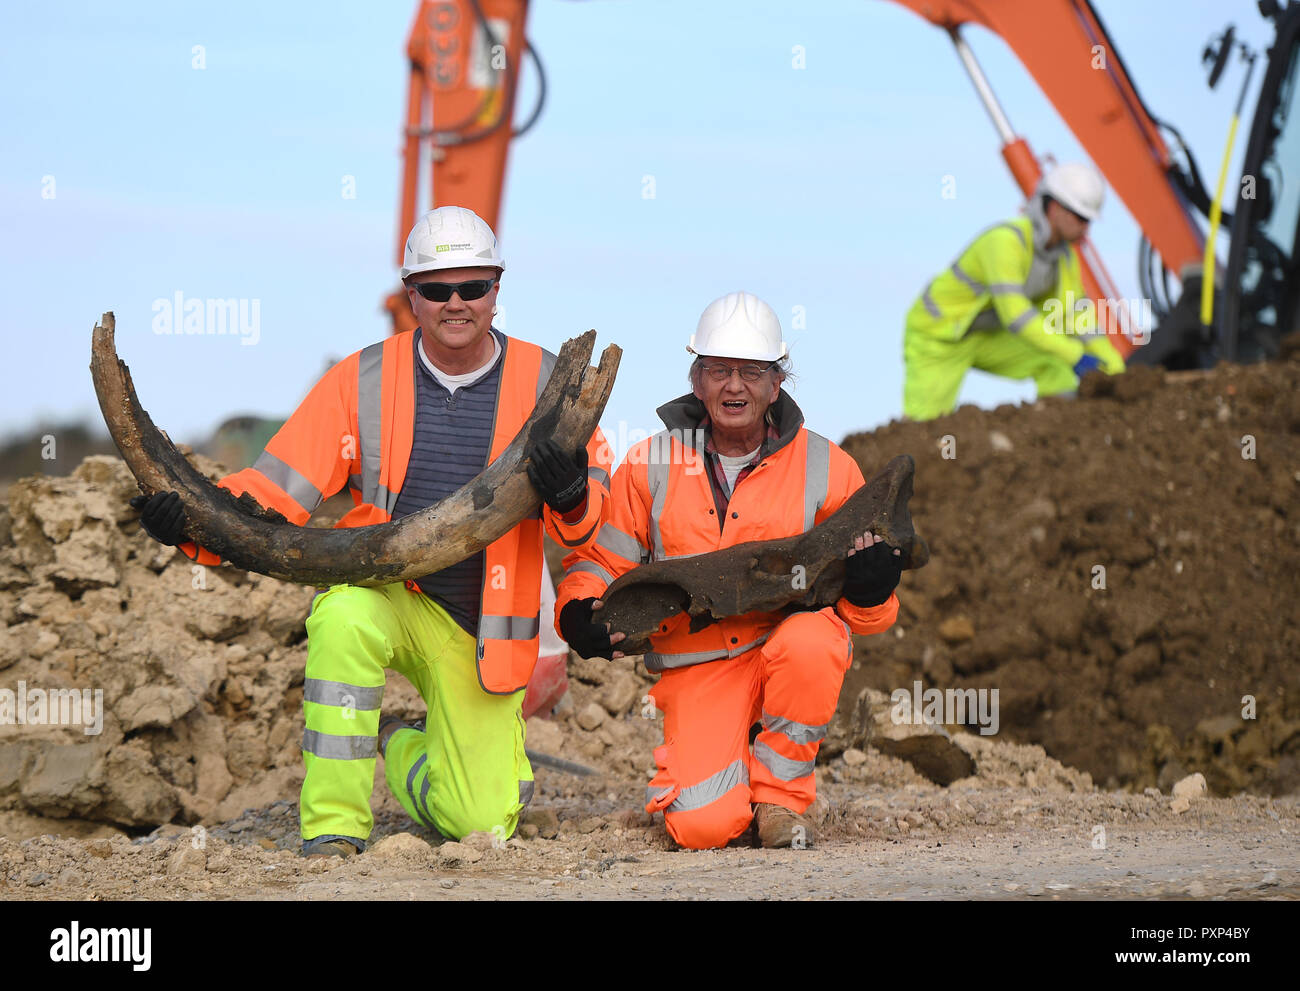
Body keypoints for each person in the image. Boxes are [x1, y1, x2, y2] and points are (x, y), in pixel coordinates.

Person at [131, 206, 612, 856]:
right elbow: (275, 491)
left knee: (479, 823)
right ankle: (333, 826)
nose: (456, 302)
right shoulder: (360, 380)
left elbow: (593, 518)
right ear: (411, 295)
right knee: (342, 618)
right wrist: (189, 522)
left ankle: (400, 746)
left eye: (473, 286)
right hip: (388, 593)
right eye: (437, 289)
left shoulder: (553, 383)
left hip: (481, 629)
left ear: (497, 288)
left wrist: (574, 492)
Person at [555, 291, 902, 850]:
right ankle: (735, 760)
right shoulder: (650, 463)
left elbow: (864, 614)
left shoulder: (827, 467)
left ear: (776, 383)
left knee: (814, 641)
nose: (733, 385)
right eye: (718, 370)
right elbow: (602, 559)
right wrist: (577, 611)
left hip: (783, 650)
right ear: (697, 380)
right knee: (703, 828)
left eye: (750, 372)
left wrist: (872, 588)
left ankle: (778, 801)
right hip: (700, 668)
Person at [902, 162, 1126, 421]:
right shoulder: (1005, 242)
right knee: (923, 427)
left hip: (985, 336)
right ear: (1054, 207)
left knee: (1055, 362)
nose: (1085, 228)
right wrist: (1076, 356)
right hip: (938, 338)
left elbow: (1076, 315)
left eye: (1089, 220)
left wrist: (1114, 365)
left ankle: (1060, 436)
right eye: (1080, 218)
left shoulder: (1064, 258)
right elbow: (1016, 315)